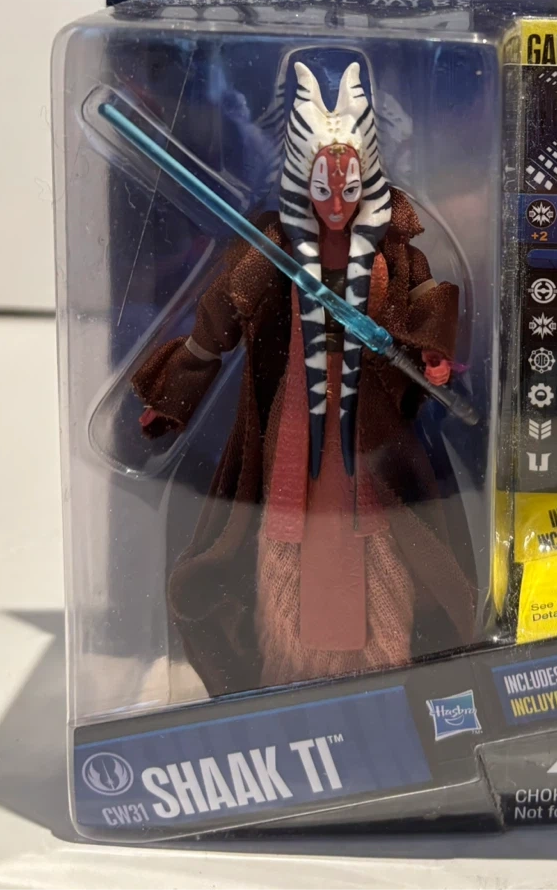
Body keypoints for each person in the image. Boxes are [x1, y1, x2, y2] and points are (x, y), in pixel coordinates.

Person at [133, 60, 475, 697]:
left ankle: (384, 675)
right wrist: (173, 394)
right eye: (324, 190)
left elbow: (427, 295)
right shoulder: (274, 250)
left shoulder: (392, 251)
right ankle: (290, 678)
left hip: (371, 430)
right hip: (295, 424)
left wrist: (432, 351)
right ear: (303, 182)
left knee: (377, 535)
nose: (337, 205)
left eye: (349, 190)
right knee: (289, 530)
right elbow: (217, 323)